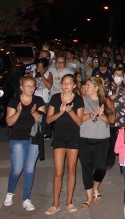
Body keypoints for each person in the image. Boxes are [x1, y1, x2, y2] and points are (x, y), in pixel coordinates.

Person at [3, 76, 46, 211]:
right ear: (21, 87)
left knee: (29, 169)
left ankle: (26, 199)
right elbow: (9, 122)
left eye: (33, 86)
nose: (31, 88)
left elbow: (43, 121)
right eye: (27, 86)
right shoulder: (14, 101)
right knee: (17, 169)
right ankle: (10, 192)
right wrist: (18, 112)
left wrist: (34, 114)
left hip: (34, 139)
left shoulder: (38, 100)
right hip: (17, 139)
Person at [45, 74, 85, 215]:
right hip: (59, 137)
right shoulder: (55, 98)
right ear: (61, 84)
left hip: (73, 136)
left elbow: (79, 121)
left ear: (74, 85)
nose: (66, 85)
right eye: (64, 83)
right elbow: (48, 120)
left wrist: (70, 111)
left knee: (71, 169)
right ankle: (55, 203)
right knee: (58, 171)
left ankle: (69, 201)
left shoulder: (78, 100)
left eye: (69, 83)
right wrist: (60, 112)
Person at [78, 76, 115, 209]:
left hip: (102, 139)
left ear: (96, 87)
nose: (85, 87)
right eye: (85, 85)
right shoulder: (82, 99)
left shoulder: (106, 100)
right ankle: (88, 197)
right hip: (84, 138)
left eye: (88, 85)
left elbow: (112, 120)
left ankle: (95, 187)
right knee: (86, 168)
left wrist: (101, 115)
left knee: (101, 167)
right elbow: (77, 119)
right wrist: (90, 116)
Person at [106, 67, 125, 169]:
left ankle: (124, 164)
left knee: (124, 143)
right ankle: (110, 161)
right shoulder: (107, 87)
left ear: (123, 77)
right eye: (116, 74)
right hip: (110, 120)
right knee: (110, 143)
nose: (118, 76)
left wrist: (124, 95)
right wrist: (114, 95)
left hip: (124, 121)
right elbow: (103, 101)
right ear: (113, 76)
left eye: (120, 75)